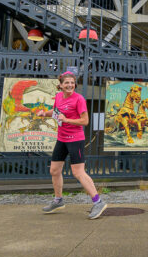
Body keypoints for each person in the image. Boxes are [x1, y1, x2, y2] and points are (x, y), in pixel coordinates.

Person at [34, 70, 107, 219]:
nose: (70, 85)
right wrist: (44, 114)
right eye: (66, 83)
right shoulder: (59, 97)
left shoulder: (79, 99)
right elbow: (56, 112)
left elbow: (85, 121)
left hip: (75, 139)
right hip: (62, 138)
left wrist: (67, 120)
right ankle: (58, 200)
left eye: (72, 83)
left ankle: (98, 202)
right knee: (54, 170)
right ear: (60, 85)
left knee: (78, 172)